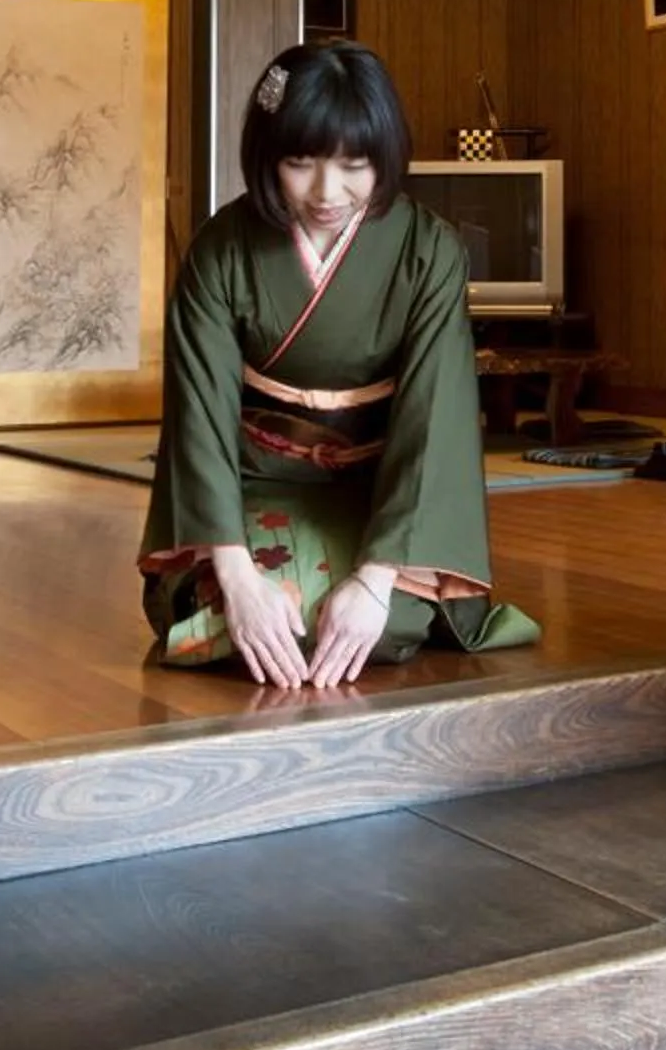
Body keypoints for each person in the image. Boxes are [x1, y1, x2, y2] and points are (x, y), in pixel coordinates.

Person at [138, 41, 538, 685]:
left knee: (391, 618)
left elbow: (434, 416)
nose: (328, 191)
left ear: (385, 158)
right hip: (251, 484)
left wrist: (378, 581)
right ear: (267, 156)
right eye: (300, 162)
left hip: (380, 491)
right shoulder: (222, 250)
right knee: (217, 611)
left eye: (355, 164)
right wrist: (237, 577)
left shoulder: (428, 250)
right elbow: (200, 417)